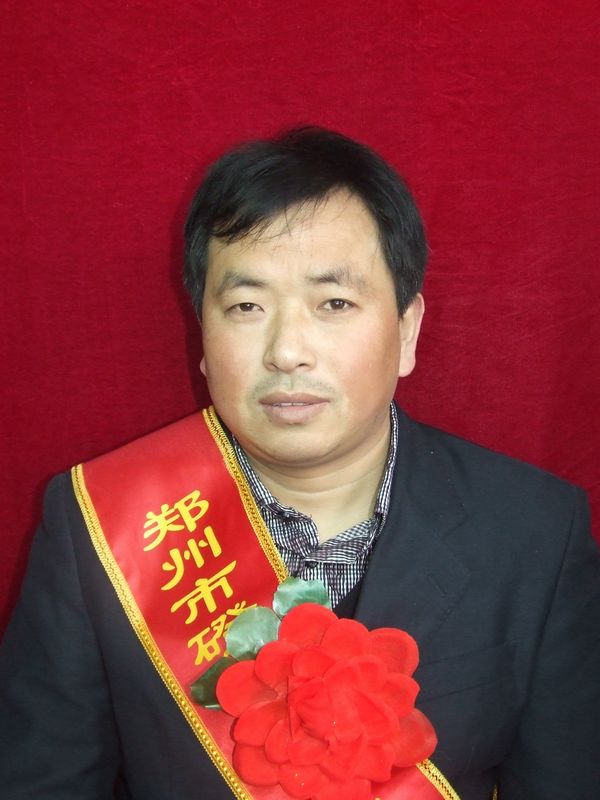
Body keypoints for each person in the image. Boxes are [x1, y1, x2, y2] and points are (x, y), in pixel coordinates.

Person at [0, 127, 598, 800]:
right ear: (202, 338)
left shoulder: (535, 533)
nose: (287, 350)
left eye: (333, 303)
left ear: (406, 330)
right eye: (247, 306)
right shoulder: (97, 530)